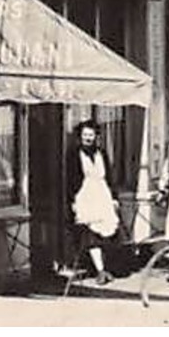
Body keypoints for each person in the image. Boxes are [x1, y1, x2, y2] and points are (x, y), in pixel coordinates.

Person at [68, 120, 120, 283]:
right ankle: (100, 270)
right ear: (80, 136)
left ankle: (104, 268)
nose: (88, 138)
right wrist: (72, 200)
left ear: (96, 136)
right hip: (85, 194)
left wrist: (114, 197)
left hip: (102, 194)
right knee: (91, 233)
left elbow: (110, 176)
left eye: (91, 135)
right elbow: (70, 179)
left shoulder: (101, 153)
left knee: (107, 232)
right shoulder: (74, 154)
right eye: (85, 135)